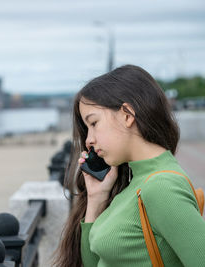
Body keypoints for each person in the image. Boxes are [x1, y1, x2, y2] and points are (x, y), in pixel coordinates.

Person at [53, 65, 205, 267]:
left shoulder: (162, 187)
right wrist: (97, 197)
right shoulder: (136, 183)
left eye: (94, 123)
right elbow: (95, 263)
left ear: (127, 115)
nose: (88, 140)